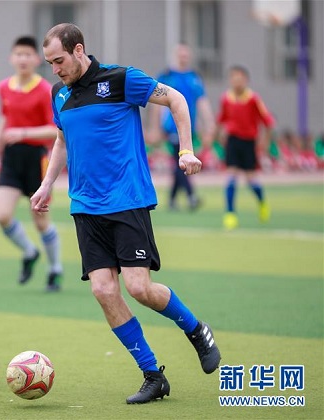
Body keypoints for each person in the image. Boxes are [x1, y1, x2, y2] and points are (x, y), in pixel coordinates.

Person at [31, 23, 221, 404]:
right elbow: (63, 138)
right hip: (85, 205)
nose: (54, 69)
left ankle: (197, 330)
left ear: (79, 50)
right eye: (49, 63)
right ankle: (153, 375)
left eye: (59, 60)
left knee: (139, 288)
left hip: (127, 200)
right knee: (103, 291)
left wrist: (186, 149)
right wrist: (48, 182)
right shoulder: (59, 93)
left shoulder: (121, 79)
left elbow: (177, 100)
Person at [0, 36, 62, 291]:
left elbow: (55, 131)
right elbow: (4, 118)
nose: (23, 59)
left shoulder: (45, 90)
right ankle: (30, 252)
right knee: (2, 215)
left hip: (36, 160)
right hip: (11, 159)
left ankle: (55, 269)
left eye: (28, 54)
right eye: (18, 54)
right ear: (11, 58)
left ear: (37, 59)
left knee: (41, 221)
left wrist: (24, 133)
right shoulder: (4, 87)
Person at [148, 44, 215, 211]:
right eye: (180, 54)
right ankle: (191, 196)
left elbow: (202, 102)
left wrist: (210, 126)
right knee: (181, 159)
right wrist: (154, 128)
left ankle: (171, 199)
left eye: (186, 55)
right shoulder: (166, 76)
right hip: (171, 127)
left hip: (189, 128)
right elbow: (156, 106)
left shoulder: (194, 78)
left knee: (180, 161)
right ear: (176, 56)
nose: (183, 57)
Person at [216, 65, 275, 230]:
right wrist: (218, 135)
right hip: (233, 141)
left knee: (251, 179)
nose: (236, 81)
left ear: (246, 80)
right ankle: (230, 214)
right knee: (231, 177)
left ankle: (262, 202)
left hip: (249, 142)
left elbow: (267, 121)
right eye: (233, 78)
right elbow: (221, 119)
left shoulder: (253, 99)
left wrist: (265, 141)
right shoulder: (226, 98)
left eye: (240, 78)